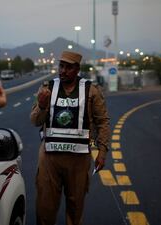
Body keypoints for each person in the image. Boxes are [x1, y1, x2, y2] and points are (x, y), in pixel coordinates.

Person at [30, 51, 111, 225]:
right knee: (45, 207)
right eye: (61, 66)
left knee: (75, 208)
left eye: (68, 67)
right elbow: (35, 121)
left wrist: (102, 151)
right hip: (50, 158)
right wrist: (42, 106)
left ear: (77, 69)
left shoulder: (91, 91)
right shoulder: (48, 88)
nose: (63, 71)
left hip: (78, 159)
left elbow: (102, 122)